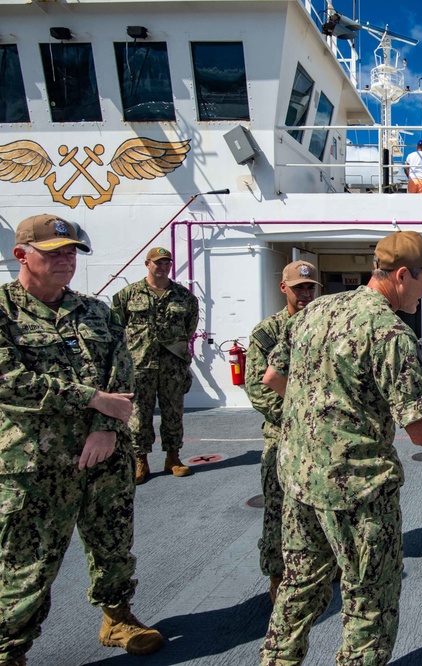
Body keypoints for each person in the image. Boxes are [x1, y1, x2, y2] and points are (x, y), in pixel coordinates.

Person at [258, 230, 422, 666]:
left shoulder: (316, 310)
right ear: (400, 275)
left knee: (298, 590)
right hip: (356, 494)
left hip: (300, 482)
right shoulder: (390, 334)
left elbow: (273, 378)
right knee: (369, 604)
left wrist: (320, 421)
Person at [0, 214, 164, 665]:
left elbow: (122, 371)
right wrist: (91, 398)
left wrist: (106, 427)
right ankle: (10, 649)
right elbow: (9, 380)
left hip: (104, 455)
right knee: (27, 565)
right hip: (34, 464)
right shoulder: (2, 311)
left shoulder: (95, 311)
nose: (66, 261)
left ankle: (118, 617)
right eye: (55, 253)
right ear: (22, 255)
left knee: (113, 544)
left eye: (72, 252)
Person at [244, 260, 321, 603]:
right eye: (298, 288)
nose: (305, 294)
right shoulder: (267, 333)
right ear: (283, 289)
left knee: (320, 505)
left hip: (322, 435)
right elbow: (258, 388)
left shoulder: (324, 324)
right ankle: (277, 574)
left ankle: (321, 563)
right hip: (283, 435)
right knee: (278, 507)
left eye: (310, 288)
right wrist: (298, 417)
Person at [112, 247, 199, 483]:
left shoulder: (185, 297)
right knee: (139, 414)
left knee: (173, 412)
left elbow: (189, 329)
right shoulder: (127, 295)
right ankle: (141, 461)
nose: (163, 267)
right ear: (147, 264)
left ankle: (173, 457)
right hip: (140, 364)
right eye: (158, 263)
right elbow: (117, 328)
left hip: (172, 365)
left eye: (166, 263)